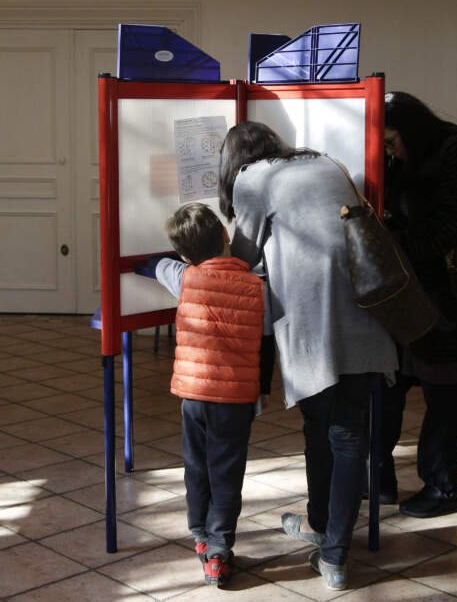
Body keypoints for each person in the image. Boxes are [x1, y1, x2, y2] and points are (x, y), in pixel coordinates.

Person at [218, 121, 398, 591]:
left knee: (327, 428)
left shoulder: (252, 180)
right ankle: (324, 531)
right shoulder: (323, 162)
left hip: (314, 322)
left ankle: (334, 554)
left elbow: (242, 257)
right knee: (346, 434)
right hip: (367, 312)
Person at [378, 91, 457, 518]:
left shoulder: (456, 151)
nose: (389, 151)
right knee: (387, 389)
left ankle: (442, 487)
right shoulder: (406, 156)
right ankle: (381, 482)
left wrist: (397, 247)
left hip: (449, 298)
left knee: (445, 396)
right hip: (409, 294)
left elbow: (452, 223)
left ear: (411, 130)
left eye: (392, 142)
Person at [139, 202, 267, 588]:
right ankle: (219, 550)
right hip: (236, 400)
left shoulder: (184, 276)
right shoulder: (257, 284)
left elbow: (150, 265)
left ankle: (199, 534)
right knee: (227, 472)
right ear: (227, 236)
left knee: (196, 467)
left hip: (194, 396)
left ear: (183, 254)